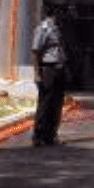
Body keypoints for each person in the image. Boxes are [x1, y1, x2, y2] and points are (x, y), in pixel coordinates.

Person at [31, 10, 68, 147]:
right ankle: (39, 135)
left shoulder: (57, 29)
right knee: (45, 102)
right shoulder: (43, 29)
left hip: (59, 67)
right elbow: (36, 51)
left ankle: (51, 134)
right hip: (48, 68)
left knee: (57, 103)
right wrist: (37, 73)